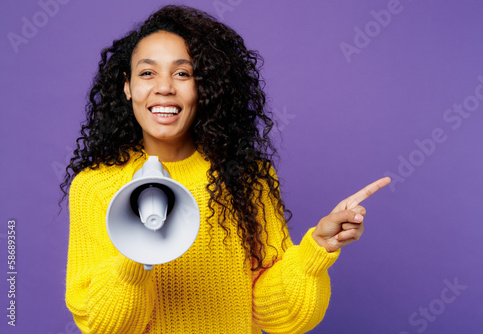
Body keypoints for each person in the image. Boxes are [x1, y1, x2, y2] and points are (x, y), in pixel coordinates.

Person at [61, 5, 390, 334]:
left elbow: (277, 315)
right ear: (127, 86)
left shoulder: (245, 177)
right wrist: (135, 252)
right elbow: (103, 326)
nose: (164, 87)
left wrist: (317, 248)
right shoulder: (96, 188)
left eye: (183, 73)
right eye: (147, 73)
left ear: (204, 86)